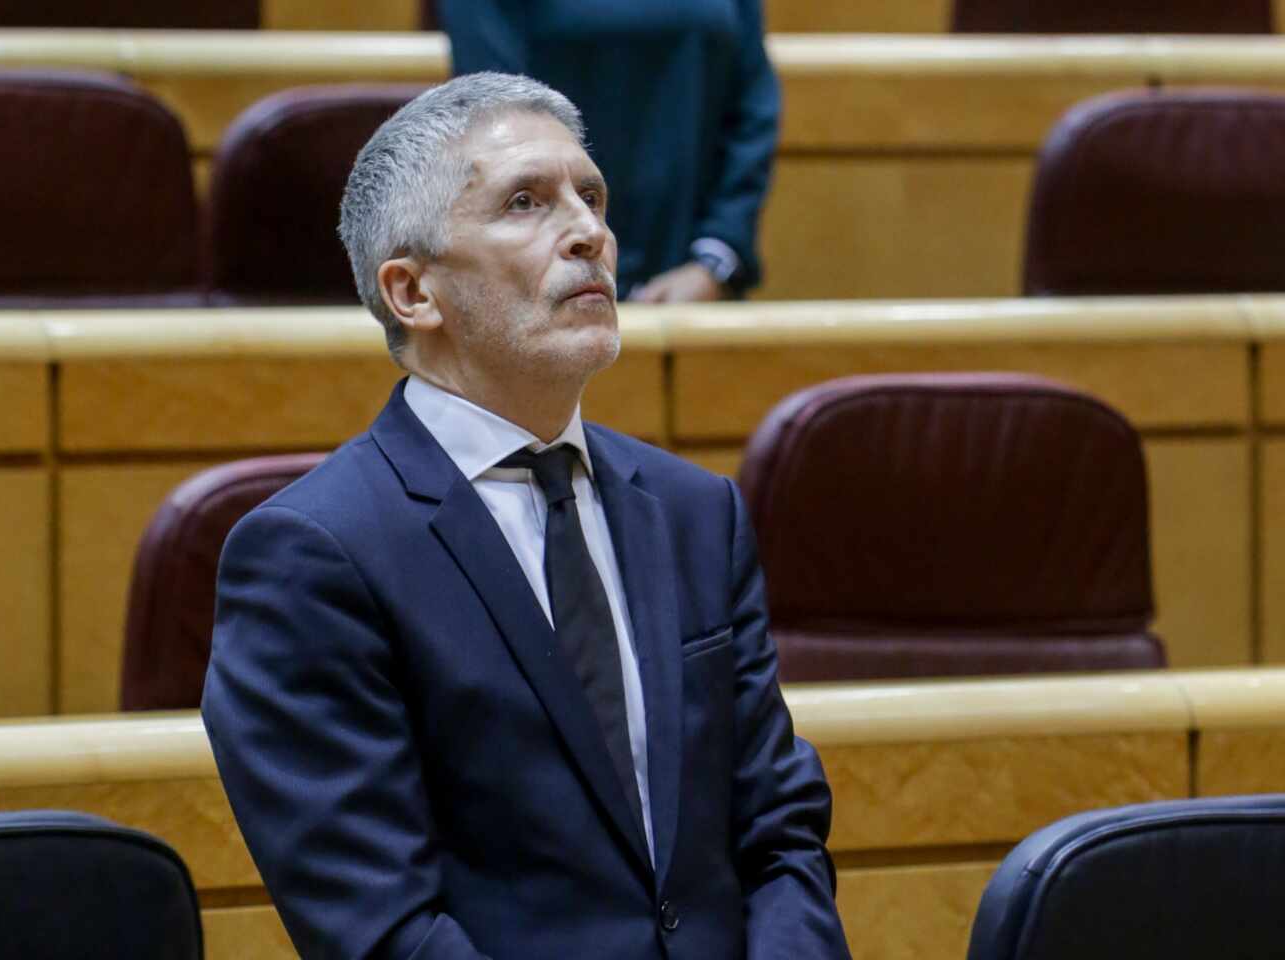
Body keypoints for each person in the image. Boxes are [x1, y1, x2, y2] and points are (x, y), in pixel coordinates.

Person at [201, 73, 848, 960]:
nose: (590, 232)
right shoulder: (313, 556)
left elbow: (779, 833)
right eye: (524, 203)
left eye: (591, 196)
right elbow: (383, 928)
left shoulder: (698, 512)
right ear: (413, 294)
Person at [436, 0, 779, 302]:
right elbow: (497, 118)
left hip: (695, 288)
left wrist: (714, 261)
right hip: (539, 285)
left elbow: (753, 106)